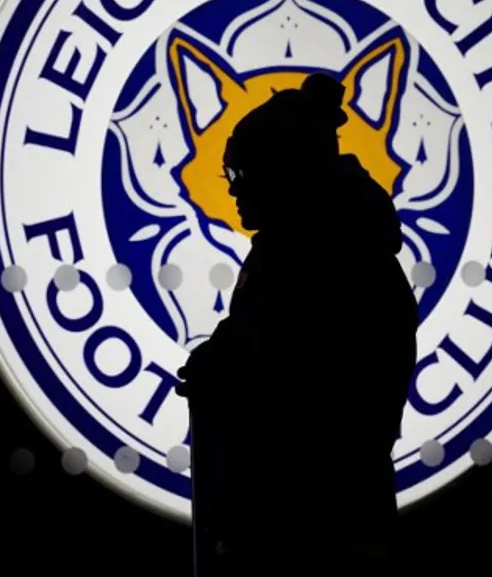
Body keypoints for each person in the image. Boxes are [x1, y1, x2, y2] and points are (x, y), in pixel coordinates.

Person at [176, 72, 418, 575]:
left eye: (242, 175)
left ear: (284, 171)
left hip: (314, 532)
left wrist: (226, 372)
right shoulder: (294, 254)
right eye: (229, 177)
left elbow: (297, 381)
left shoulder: (328, 261)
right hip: (300, 523)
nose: (234, 192)